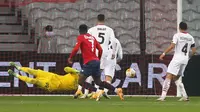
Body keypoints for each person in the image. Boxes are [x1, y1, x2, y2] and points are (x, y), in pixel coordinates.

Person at [67, 24, 123, 101]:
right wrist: (98, 59)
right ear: (87, 30)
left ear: (79, 31)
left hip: (89, 62)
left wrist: (71, 57)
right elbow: (100, 50)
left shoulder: (81, 37)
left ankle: (97, 91)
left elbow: (76, 48)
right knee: (98, 82)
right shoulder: (92, 38)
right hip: (96, 61)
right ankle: (117, 90)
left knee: (80, 81)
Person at [76, 14, 117, 99]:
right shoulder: (109, 30)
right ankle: (95, 92)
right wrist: (113, 52)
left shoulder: (91, 29)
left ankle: (90, 92)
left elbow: (85, 39)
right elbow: (113, 41)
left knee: (91, 74)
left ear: (97, 20)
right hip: (104, 52)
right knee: (97, 75)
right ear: (104, 19)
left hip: (93, 52)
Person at [157, 22, 196, 101]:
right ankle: (185, 96)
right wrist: (188, 58)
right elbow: (194, 51)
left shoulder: (177, 35)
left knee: (168, 75)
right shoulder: (191, 37)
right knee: (176, 78)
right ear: (186, 28)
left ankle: (162, 96)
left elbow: (172, 46)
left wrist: (163, 53)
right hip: (185, 60)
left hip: (177, 58)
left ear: (179, 27)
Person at [8, 62, 79, 92]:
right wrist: (75, 70)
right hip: (53, 76)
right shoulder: (75, 74)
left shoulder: (76, 86)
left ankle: (16, 75)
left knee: (34, 81)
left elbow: (79, 93)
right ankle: (19, 68)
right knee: (34, 71)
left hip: (52, 85)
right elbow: (66, 68)